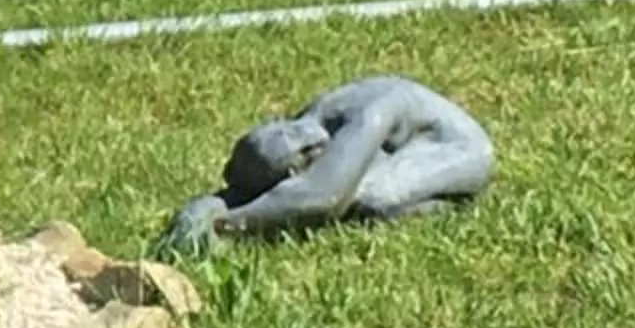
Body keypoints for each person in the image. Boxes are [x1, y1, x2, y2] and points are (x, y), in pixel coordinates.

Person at [166, 76, 492, 250]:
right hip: (395, 145)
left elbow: (321, 197)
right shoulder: (301, 127)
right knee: (352, 191)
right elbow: (240, 190)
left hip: (454, 146)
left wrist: (227, 226)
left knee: (371, 199)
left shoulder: (366, 115)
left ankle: (447, 202)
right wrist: (193, 215)